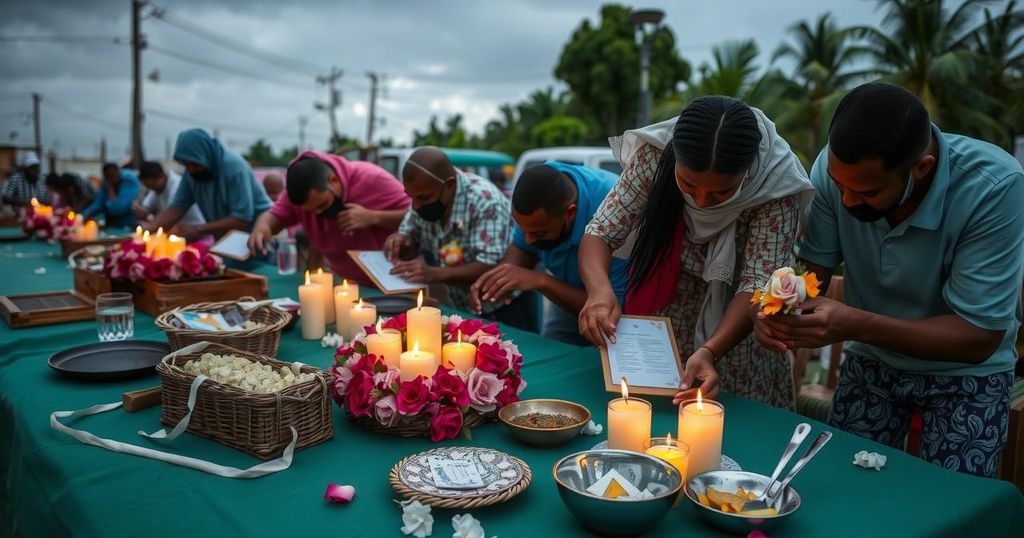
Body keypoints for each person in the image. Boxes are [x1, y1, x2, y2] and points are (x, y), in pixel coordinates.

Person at [752, 83, 1024, 477]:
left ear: (922, 167)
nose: (845, 201)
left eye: (866, 191)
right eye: (838, 184)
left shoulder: (994, 187)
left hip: (966, 377)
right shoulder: (836, 171)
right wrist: (780, 308)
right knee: (844, 486)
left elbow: (978, 338)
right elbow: (811, 277)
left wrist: (855, 323)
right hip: (872, 362)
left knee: (948, 503)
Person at [578, 96, 814, 409]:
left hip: (739, 329)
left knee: (734, 428)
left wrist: (711, 350)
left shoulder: (776, 183)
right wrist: (598, 292)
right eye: (688, 184)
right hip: (667, 322)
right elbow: (601, 231)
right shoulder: (656, 154)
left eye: (721, 192)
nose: (702, 201)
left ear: (746, 174)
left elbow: (757, 283)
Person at [470, 162, 629, 345]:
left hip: (614, 310)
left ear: (570, 214)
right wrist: (498, 280)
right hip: (565, 293)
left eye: (539, 233)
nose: (529, 240)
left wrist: (542, 281)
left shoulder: (615, 210)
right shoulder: (537, 196)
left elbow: (611, 308)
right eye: (523, 230)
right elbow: (521, 252)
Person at [383, 147, 537, 331]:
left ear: (449, 185)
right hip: (464, 305)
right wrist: (402, 242)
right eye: (411, 197)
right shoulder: (427, 192)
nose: (415, 206)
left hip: (505, 306)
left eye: (423, 198)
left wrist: (434, 273)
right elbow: (410, 235)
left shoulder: (485, 202)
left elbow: (491, 266)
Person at [249, 151, 410, 284]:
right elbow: (272, 217)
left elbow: (417, 217)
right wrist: (262, 226)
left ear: (333, 180)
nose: (318, 214)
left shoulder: (372, 178)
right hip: (348, 283)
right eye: (310, 211)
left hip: (393, 282)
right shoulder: (297, 193)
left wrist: (373, 217)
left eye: (322, 205)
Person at [147, 128, 272, 238]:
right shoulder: (190, 174)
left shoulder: (235, 168)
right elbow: (177, 208)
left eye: (195, 165)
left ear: (205, 155)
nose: (191, 170)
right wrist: (147, 231)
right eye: (186, 165)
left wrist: (198, 229)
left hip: (255, 236)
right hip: (225, 241)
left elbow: (241, 219)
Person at [135, 161, 205, 228]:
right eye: (148, 187)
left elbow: (170, 216)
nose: (151, 189)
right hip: (177, 231)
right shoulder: (156, 189)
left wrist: (150, 224)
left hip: (194, 229)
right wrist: (139, 210)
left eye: (152, 185)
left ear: (161, 176)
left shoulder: (177, 185)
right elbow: (146, 209)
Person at [81, 163, 140, 228]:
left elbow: (117, 208)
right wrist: (85, 215)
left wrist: (110, 188)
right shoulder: (107, 183)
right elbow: (98, 203)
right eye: (109, 177)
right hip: (112, 222)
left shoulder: (128, 180)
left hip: (128, 222)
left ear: (118, 172)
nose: (112, 179)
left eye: (114, 176)